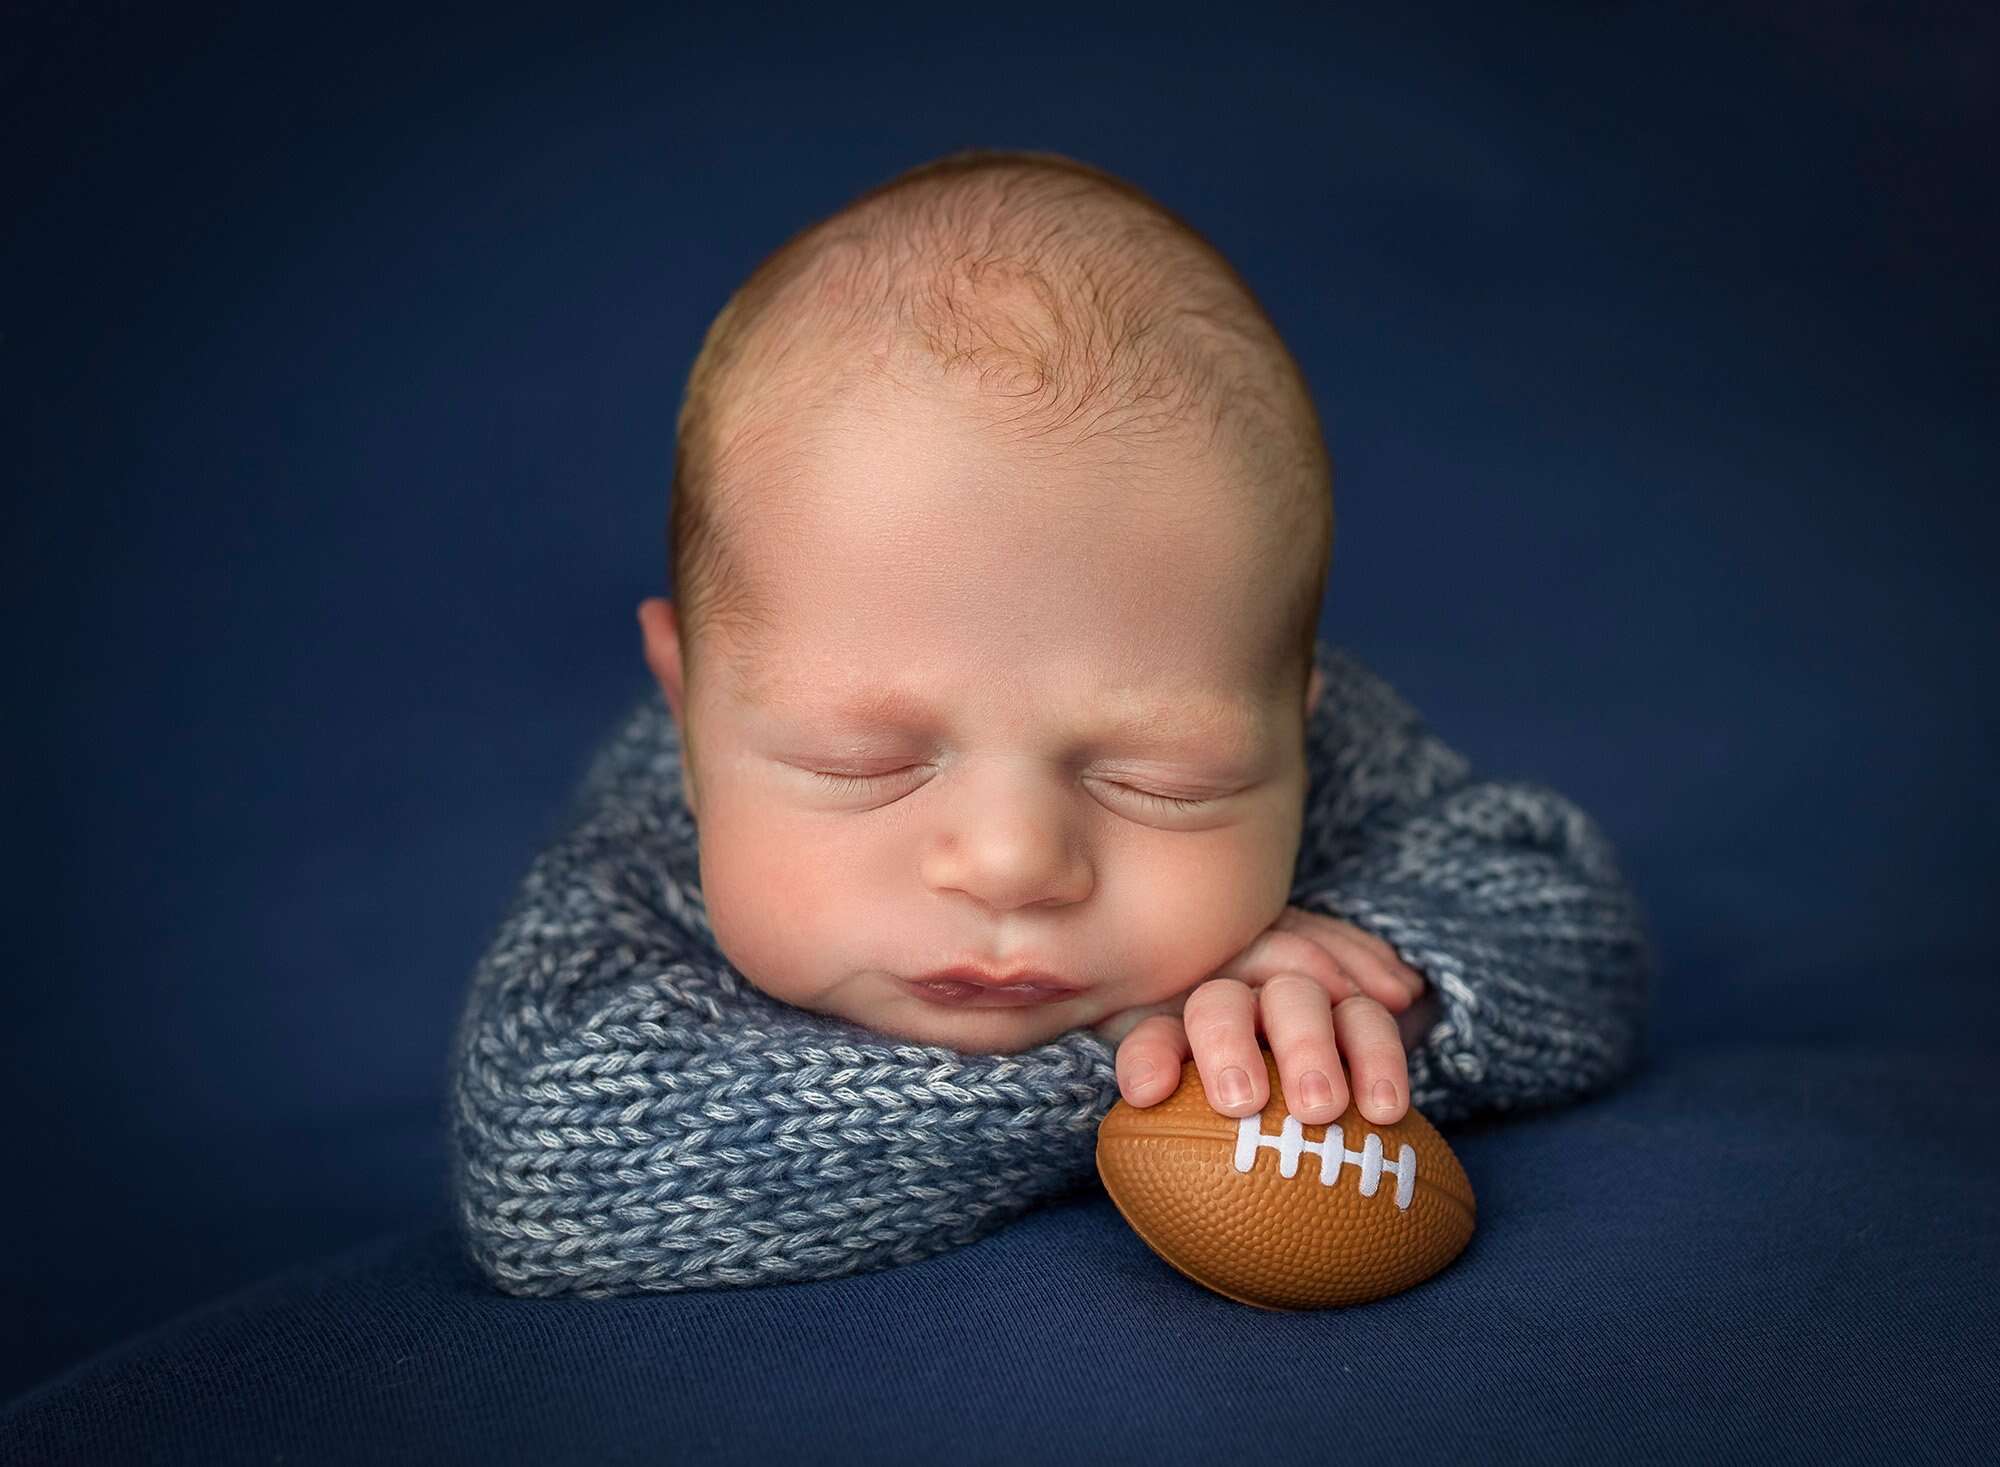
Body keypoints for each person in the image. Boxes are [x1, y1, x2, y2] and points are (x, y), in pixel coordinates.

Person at [447, 147, 1657, 1298]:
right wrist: (1138, 1073)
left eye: (1159, 783)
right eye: (861, 762)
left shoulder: (1320, 758)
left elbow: (1576, 932)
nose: (1014, 861)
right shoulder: (649, 841)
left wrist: (1379, 991)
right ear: (689, 712)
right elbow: (542, 1165)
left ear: (1290, 729)